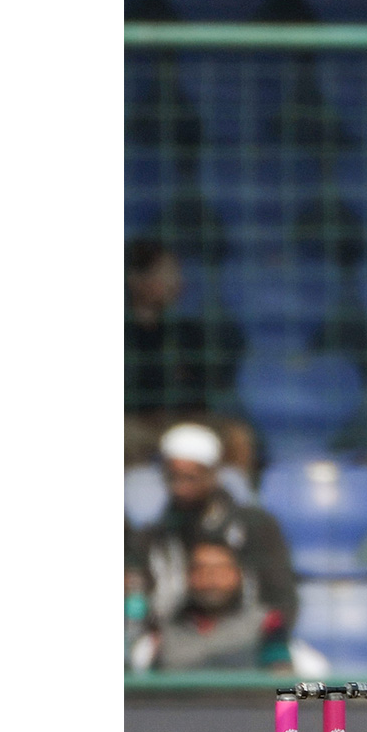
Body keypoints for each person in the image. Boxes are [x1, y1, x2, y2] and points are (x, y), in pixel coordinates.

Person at [130, 423, 299, 634]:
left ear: (213, 474)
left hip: (249, 641)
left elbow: (280, 597)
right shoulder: (154, 538)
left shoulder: (256, 526)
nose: (180, 488)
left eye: (190, 478)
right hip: (177, 644)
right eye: (172, 477)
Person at [124, 239, 252, 470]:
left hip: (184, 420)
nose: (177, 282)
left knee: (237, 436)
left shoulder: (187, 333)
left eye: (176, 273)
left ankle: (236, 502)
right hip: (135, 424)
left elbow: (203, 386)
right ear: (135, 279)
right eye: (166, 273)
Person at [139, 540, 292, 672]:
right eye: (201, 569)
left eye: (220, 569)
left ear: (237, 574)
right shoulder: (163, 630)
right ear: (187, 576)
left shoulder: (266, 623)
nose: (211, 579)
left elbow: (282, 684)